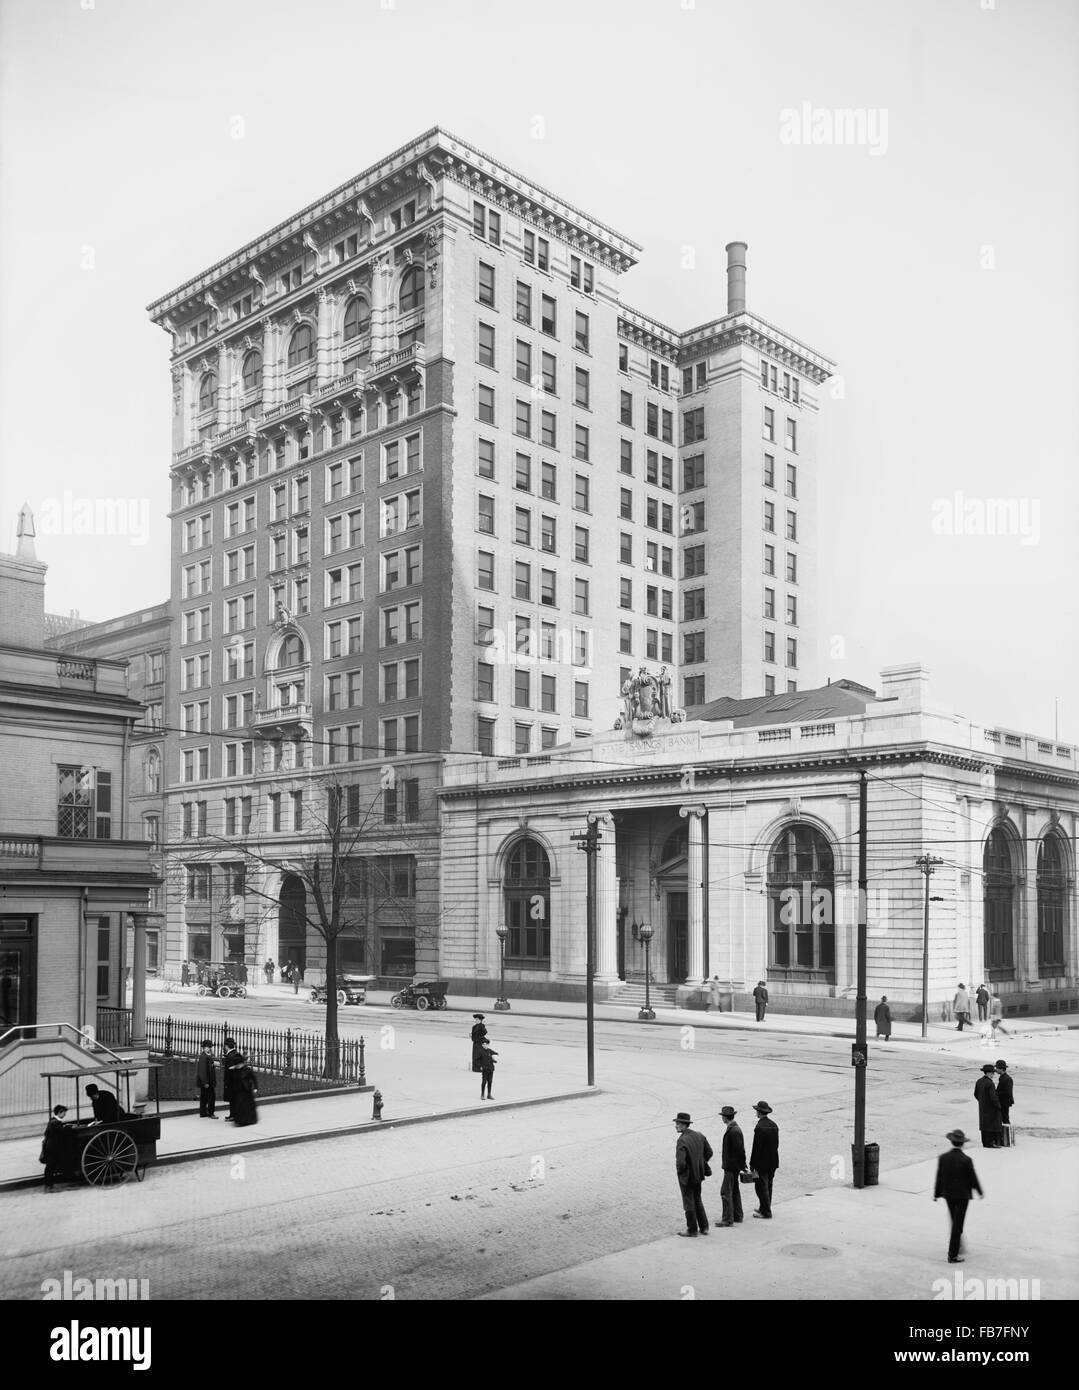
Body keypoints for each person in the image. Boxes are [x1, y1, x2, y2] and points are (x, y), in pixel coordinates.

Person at [934, 1129, 983, 1263]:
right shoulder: (966, 1160)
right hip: (962, 1195)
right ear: (962, 1144)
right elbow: (973, 1178)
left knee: (954, 1219)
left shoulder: (943, 1158)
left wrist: (936, 1193)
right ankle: (953, 1254)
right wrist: (979, 1191)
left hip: (949, 1194)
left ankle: (957, 1244)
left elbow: (940, 1177)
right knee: (958, 1224)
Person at [673, 1111, 712, 1237]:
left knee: (688, 1202)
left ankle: (692, 1229)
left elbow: (681, 1163)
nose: (676, 1126)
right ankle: (704, 1227)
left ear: (685, 1125)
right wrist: (700, 1163)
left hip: (687, 1177)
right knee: (698, 1199)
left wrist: (682, 1173)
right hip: (699, 1174)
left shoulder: (682, 1140)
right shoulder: (699, 1135)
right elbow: (709, 1152)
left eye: (678, 1124)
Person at [748, 1101, 779, 1219]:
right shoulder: (774, 1125)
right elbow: (776, 1144)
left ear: (759, 1112)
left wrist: (752, 1163)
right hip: (773, 1161)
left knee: (761, 1187)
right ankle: (765, 1207)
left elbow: (757, 1147)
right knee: (769, 1185)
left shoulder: (760, 1127)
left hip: (762, 1163)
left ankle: (766, 1211)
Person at [718, 1105, 747, 1226]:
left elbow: (740, 1150)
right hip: (734, 1166)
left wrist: (743, 1165)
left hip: (731, 1166)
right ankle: (737, 1215)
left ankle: (727, 1219)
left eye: (722, 1116)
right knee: (734, 1190)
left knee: (725, 1192)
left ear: (725, 1117)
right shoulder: (734, 1128)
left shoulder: (733, 1130)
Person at [41, 1104, 70, 1192]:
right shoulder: (56, 1123)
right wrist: (68, 1128)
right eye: (64, 1112)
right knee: (51, 1167)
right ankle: (48, 1187)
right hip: (53, 1148)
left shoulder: (52, 1121)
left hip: (49, 1147)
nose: (65, 1114)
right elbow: (62, 1132)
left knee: (50, 1167)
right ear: (60, 1112)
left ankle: (48, 1186)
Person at [974, 1063, 1003, 1148]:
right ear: (989, 1073)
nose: (994, 1074)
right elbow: (993, 1098)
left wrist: (982, 1101)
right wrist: (998, 1106)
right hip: (990, 1108)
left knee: (984, 1125)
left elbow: (975, 1094)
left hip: (982, 1107)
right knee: (991, 1125)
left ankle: (985, 1143)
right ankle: (990, 1143)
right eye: (992, 1073)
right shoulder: (990, 1083)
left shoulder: (979, 1081)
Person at [230, 1055, 259, 1127]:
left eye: (239, 1064)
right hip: (238, 1090)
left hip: (246, 1090)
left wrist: (255, 1088)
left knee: (246, 1106)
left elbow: (254, 1078)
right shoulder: (234, 1070)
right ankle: (240, 1120)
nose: (238, 1066)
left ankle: (248, 1120)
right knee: (239, 1105)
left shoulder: (247, 1070)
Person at [222, 1036, 243, 1121]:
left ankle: (233, 1115)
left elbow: (229, 1072)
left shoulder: (230, 1056)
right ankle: (234, 1114)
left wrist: (226, 1083)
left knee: (232, 1100)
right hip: (238, 1081)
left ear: (227, 1046)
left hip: (232, 1082)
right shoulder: (236, 1054)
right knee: (235, 1099)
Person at [195, 1039, 217, 1118]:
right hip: (207, 1082)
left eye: (210, 1047)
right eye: (208, 1047)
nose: (210, 1048)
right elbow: (202, 1071)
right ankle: (211, 1113)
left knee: (204, 1097)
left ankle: (203, 1112)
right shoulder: (204, 1057)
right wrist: (205, 1082)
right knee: (211, 1097)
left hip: (207, 1081)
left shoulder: (207, 1055)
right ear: (204, 1048)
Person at [995, 1060, 1014, 1130]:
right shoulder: (1003, 1077)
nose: (996, 1070)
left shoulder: (1007, 1079)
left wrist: (996, 1093)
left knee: (1005, 1119)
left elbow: (1008, 1093)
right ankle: (1006, 1133)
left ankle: (1007, 1134)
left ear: (1001, 1069)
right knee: (1003, 1118)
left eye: (997, 1068)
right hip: (1003, 1102)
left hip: (1004, 1102)